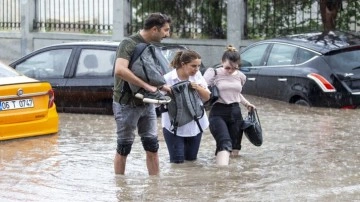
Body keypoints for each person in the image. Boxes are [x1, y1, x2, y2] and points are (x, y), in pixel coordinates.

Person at [112, 13, 171, 175]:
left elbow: (149, 73)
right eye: (165, 30)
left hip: (147, 103)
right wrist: (147, 86)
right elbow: (120, 70)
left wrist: (163, 86)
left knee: (152, 146)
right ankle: (121, 190)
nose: (167, 34)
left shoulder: (152, 46)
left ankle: (154, 188)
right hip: (126, 104)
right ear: (154, 29)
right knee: (124, 147)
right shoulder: (128, 43)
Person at [203, 45, 256, 166]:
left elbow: (237, 94)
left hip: (235, 112)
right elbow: (202, 89)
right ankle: (222, 175)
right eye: (227, 68)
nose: (230, 71)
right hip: (218, 112)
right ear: (222, 62)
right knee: (224, 143)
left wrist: (247, 104)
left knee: (235, 149)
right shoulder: (213, 73)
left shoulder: (241, 76)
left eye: (234, 68)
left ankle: (232, 180)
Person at [161, 50, 210, 163]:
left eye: (198, 66)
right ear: (183, 64)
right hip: (173, 127)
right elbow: (156, 102)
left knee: (191, 162)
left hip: (196, 125)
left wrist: (197, 87)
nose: (196, 69)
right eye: (193, 66)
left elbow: (207, 97)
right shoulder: (167, 79)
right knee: (177, 162)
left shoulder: (197, 76)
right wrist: (169, 92)